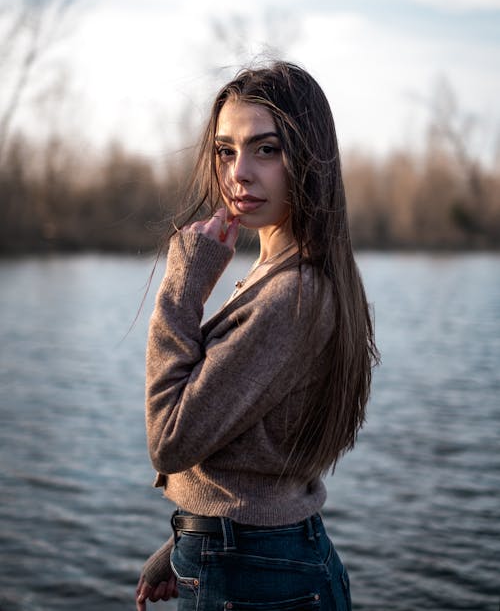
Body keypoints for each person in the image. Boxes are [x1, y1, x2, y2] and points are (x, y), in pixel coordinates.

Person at [135, 61, 379, 610]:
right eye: (226, 150)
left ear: (309, 159)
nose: (238, 172)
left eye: (265, 149)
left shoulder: (291, 296)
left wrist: (183, 286)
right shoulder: (285, 275)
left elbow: (169, 439)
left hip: (257, 577)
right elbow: (258, 458)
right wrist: (184, 542)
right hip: (254, 559)